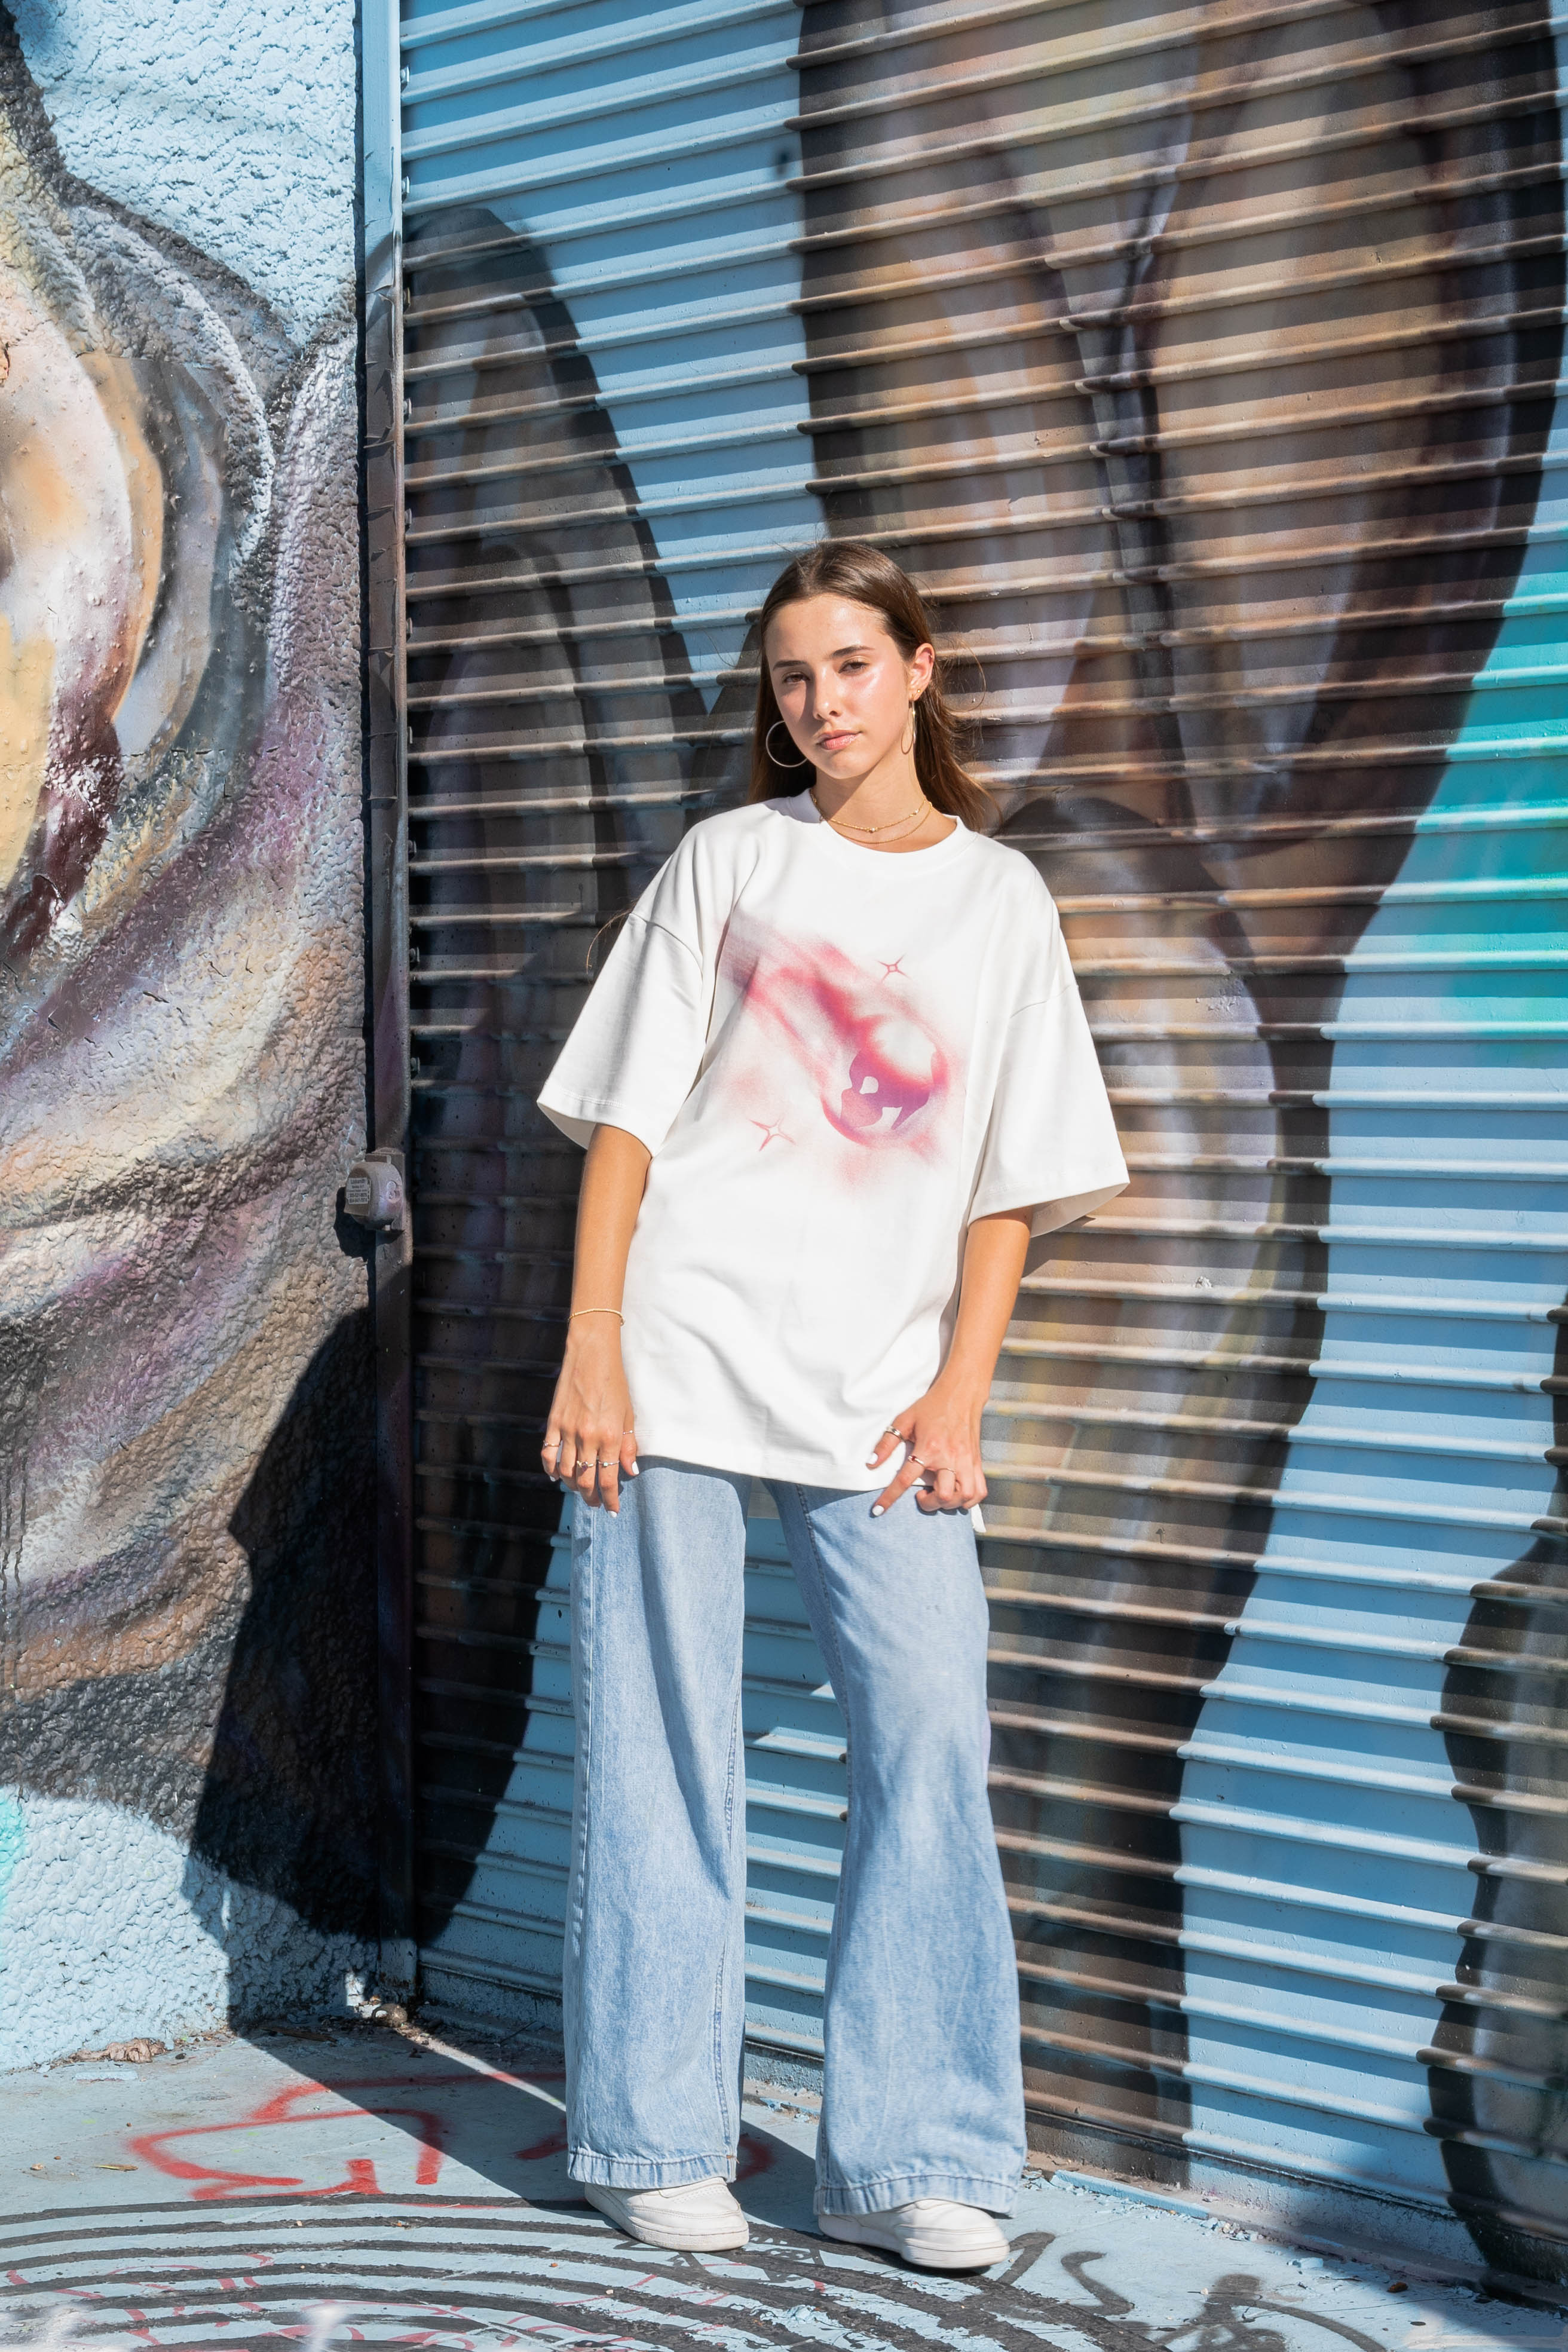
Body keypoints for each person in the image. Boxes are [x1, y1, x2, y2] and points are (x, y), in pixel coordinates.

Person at [537, 540, 1128, 2270]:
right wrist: (592, 1342)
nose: (820, 704)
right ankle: (650, 2137)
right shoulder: (732, 860)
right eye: (792, 677)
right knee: (662, 1748)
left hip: (882, 1396)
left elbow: (1012, 1180)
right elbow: (629, 1123)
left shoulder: (1000, 900)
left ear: (919, 670)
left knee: (929, 1738)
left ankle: (907, 2161)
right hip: (673, 1359)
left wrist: (962, 1391)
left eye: (852, 665)